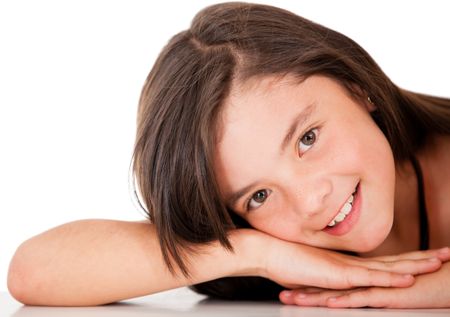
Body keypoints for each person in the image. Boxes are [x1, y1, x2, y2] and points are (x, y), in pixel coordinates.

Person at [7, 2, 450, 308]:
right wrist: (254, 253)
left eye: (307, 139)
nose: (310, 200)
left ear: (358, 87)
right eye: (258, 195)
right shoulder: (265, 248)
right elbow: (32, 271)